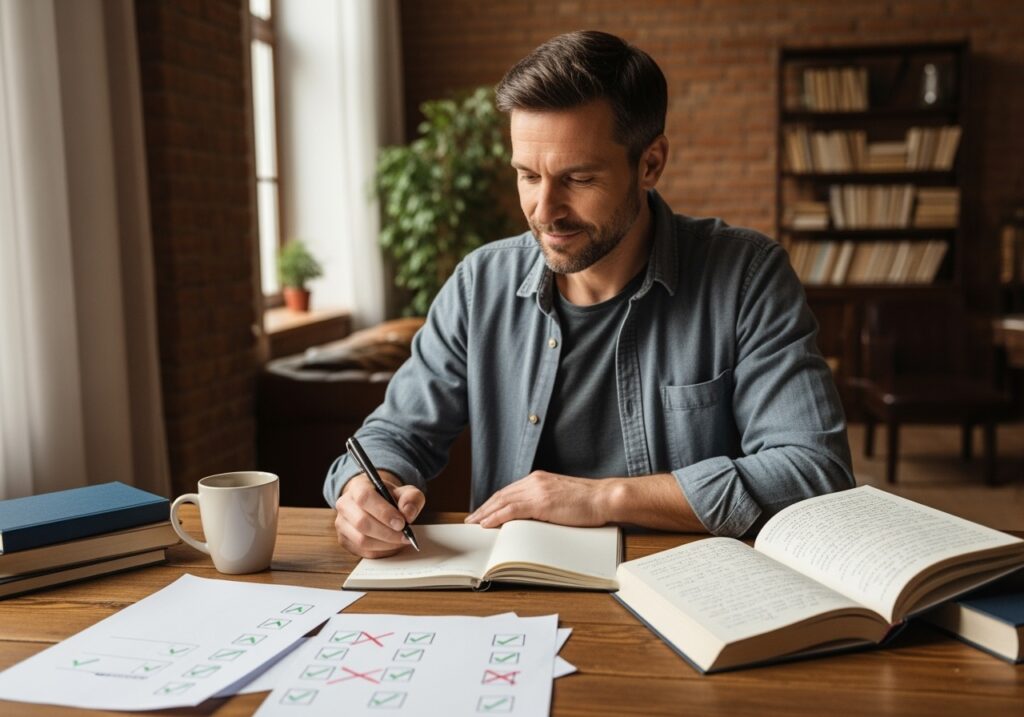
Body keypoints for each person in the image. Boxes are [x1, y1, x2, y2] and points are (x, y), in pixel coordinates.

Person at [325, 30, 853, 558]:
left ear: (650, 164)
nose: (544, 210)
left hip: (685, 589)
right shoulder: (478, 284)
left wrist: (604, 498)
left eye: (577, 179)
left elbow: (812, 470)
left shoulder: (746, 276)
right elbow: (396, 433)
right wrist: (363, 491)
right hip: (510, 596)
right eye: (528, 175)